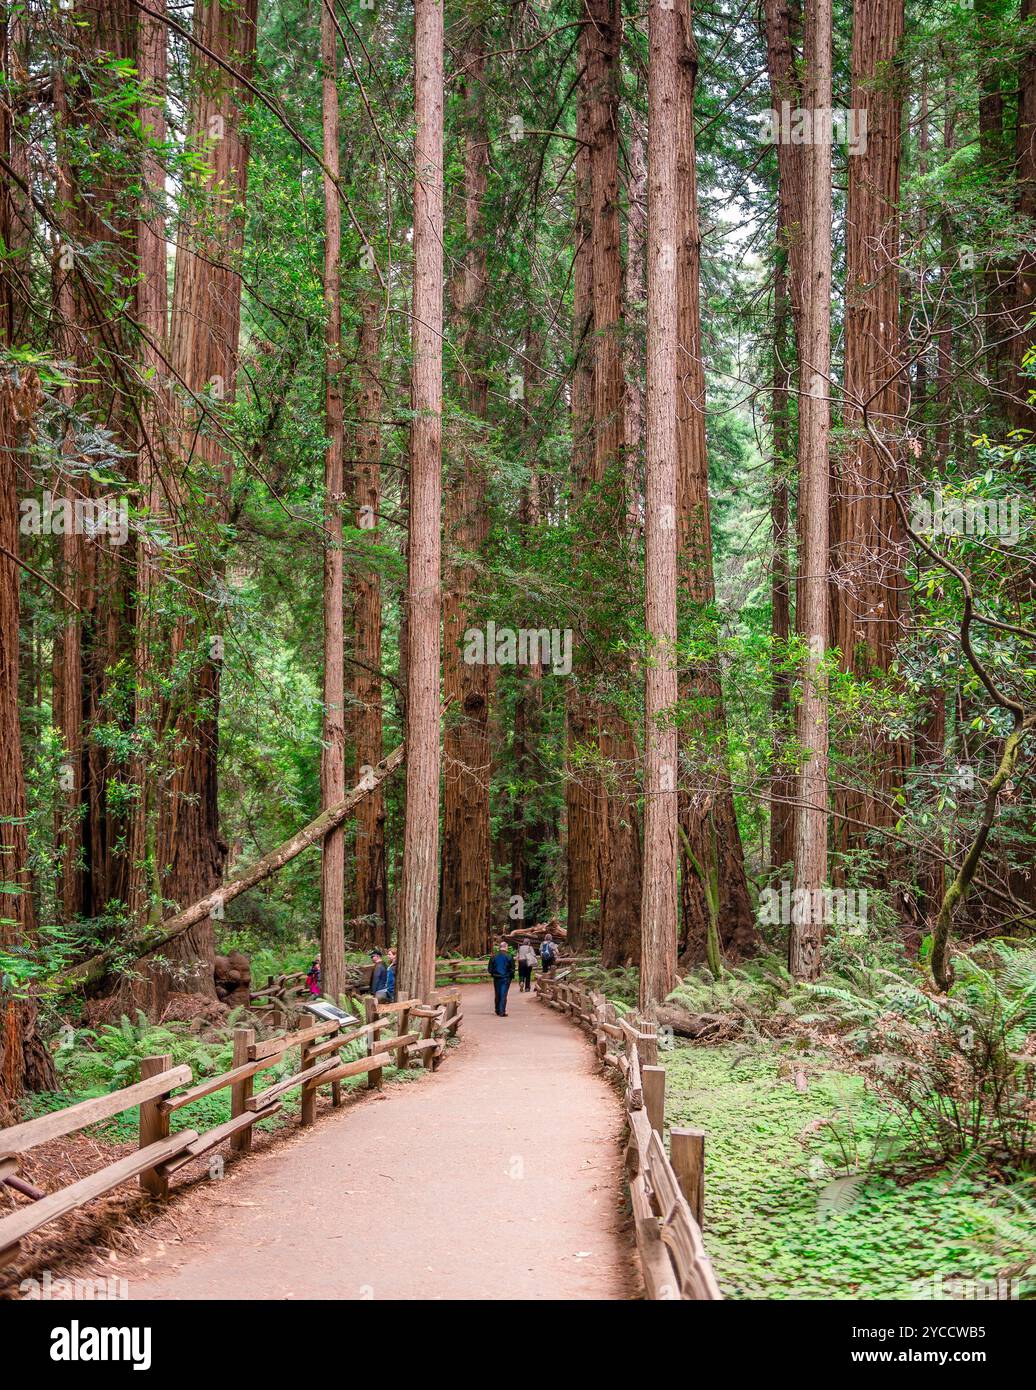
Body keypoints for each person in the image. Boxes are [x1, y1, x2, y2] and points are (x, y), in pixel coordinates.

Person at [487, 940, 515, 1016]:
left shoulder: (493, 956)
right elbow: (512, 969)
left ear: (499, 948)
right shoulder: (509, 956)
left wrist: (493, 974)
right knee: (503, 994)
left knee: (497, 993)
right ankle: (502, 1011)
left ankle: (497, 1009)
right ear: (506, 947)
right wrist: (510, 976)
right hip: (506, 977)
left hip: (496, 978)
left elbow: (489, 969)